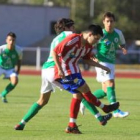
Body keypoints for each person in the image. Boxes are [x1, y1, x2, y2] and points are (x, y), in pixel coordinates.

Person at [15, 18, 114, 132]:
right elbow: (62, 50)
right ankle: (98, 114)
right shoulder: (71, 35)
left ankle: (21, 123)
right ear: (67, 27)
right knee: (80, 92)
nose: (74, 29)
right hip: (56, 69)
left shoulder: (57, 38)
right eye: (73, 27)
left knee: (43, 101)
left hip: (46, 69)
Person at [52, 24, 120, 134]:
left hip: (75, 72)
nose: (96, 42)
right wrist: (59, 69)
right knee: (85, 88)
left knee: (78, 95)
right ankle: (104, 107)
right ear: (89, 34)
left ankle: (71, 125)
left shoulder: (88, 46)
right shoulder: (73, 39)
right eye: (96, 38)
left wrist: (102, 66)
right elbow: (55, 51)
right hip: (65, 72)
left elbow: (87, 60)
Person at [80, 12, 129, 118]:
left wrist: (123, 47)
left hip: (111, 62)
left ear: (114, 22)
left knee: (105, 91)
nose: (109, 23)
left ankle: (84, 100)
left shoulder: (118, 33)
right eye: (107, 21)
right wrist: (92, 56)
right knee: (110, 84)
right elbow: (90, 45)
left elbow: (121, 42)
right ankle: (115, 110)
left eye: (111, 21)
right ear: (103, 22)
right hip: (102, 62)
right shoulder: (100, 34)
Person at [0, 32, 23, 103]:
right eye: (10, 40)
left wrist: (18, 71)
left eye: (13, 40)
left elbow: (19, 61)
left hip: (10, 69)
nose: (11, 42)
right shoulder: (1, 49)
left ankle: (3, 94)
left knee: (15, 81)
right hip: (1, 67)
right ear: (6, 40)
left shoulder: (19, 50)